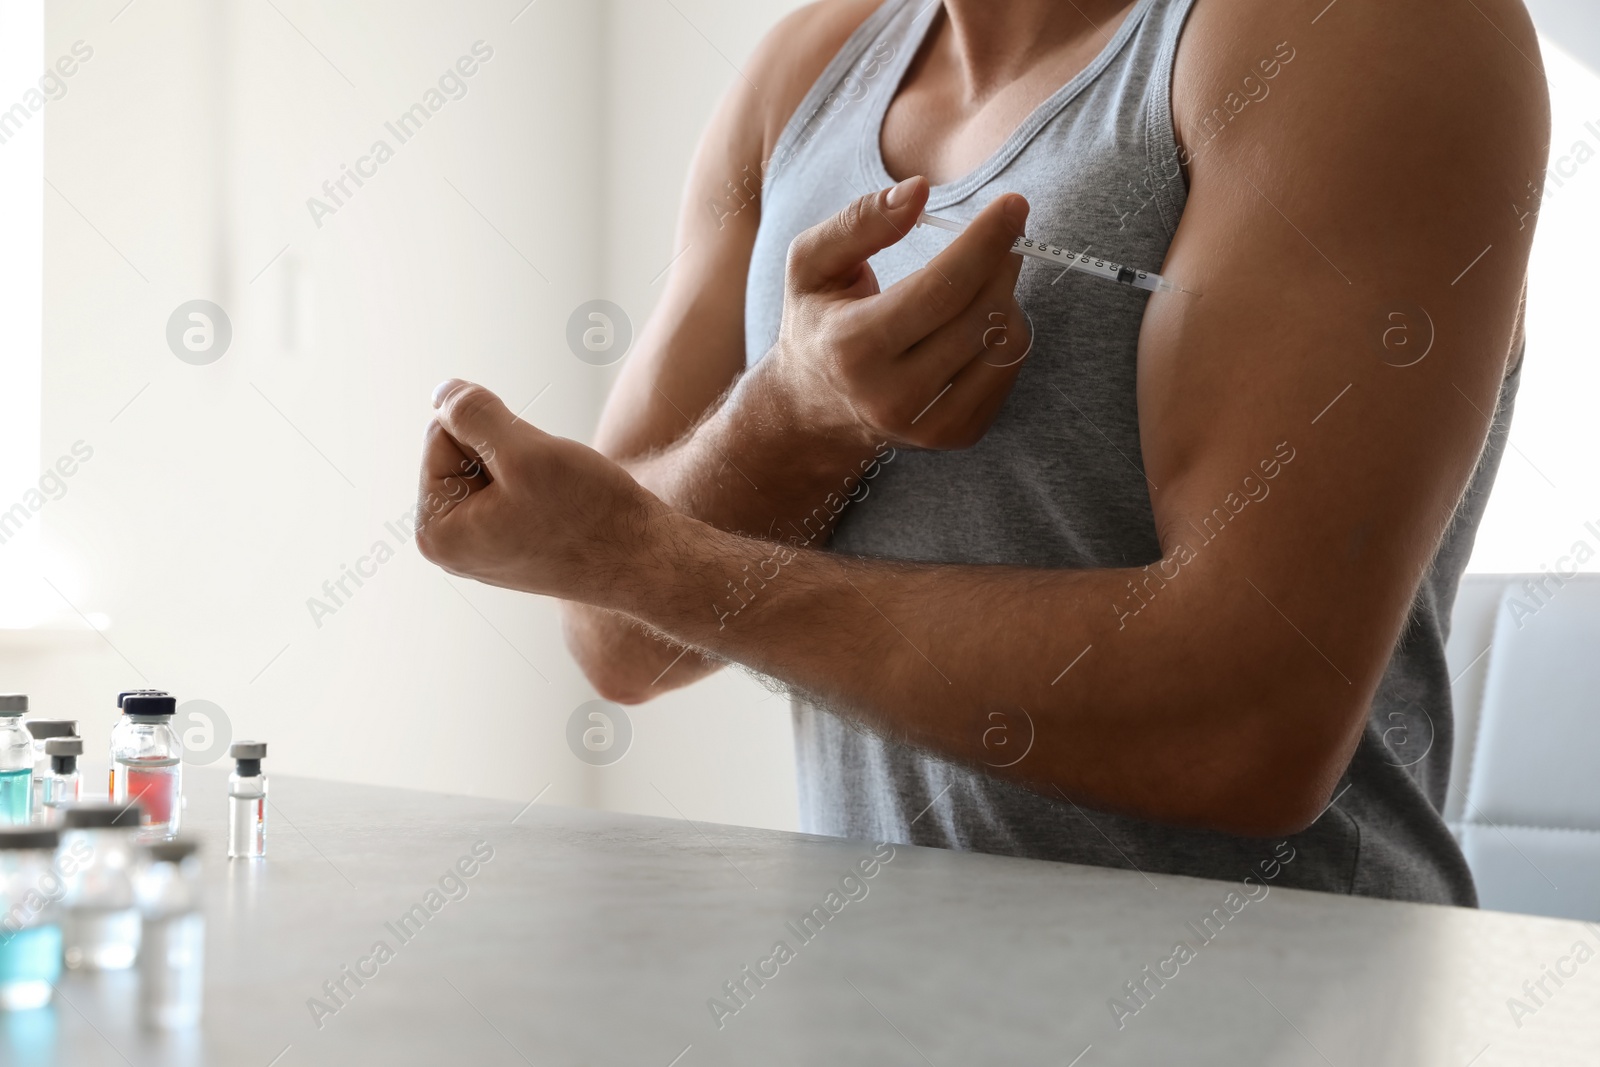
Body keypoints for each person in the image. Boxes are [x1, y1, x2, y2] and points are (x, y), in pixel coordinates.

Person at [414, 0, 1549, 905]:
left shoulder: (1365, 29)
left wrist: (648, 558)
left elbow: (1245, 724)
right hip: (889, 1005)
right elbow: (624, 647)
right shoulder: (803, 71)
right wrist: (800, 409)